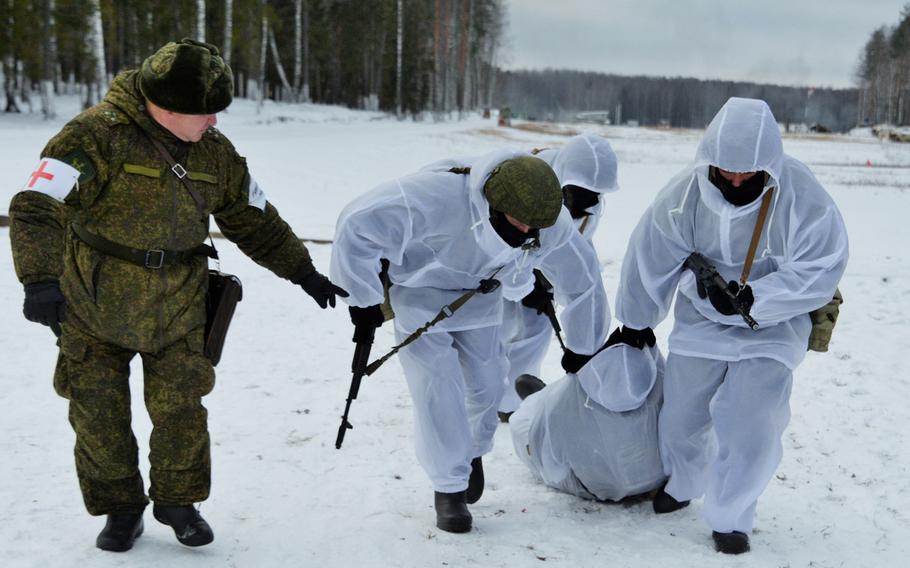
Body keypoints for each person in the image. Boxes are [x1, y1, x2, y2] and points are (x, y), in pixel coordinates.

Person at [8, 39, 347, 552]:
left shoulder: (216, 153)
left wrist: (303, 272)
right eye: (206, 113)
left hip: (179, 306)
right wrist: (39, 280)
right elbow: (36, 206)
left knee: (182, 411)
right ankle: (121, 509)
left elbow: (252, 218)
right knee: (98, 415)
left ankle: (177, 501)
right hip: (95, 304)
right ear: (165, 108)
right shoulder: (93, 136)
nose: (214, 122)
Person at [330, 150, 610, 533]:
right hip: (418, 294)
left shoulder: (547, 221)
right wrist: (361, 299)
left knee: (488, 384)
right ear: (493, 203)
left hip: (480, 296)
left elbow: (583, 279)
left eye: (536, 227)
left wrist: (582, 346)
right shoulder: (429, 197)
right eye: (520, 223)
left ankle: (472, 451)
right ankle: (449, 488)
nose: (529, 232)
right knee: (438, 386)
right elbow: (355, 226)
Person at [614, 97, 848, 554]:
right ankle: (683, 482)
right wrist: (636, 321)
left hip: (772, 329)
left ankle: (732, 515)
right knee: (681, 417)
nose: (736, 180)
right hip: (701, 323)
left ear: (769, 165)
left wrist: (760, 297)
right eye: (726, 171)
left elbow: (823, 266)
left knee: (752, 422)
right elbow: (651, 255)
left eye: (748, 173)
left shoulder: (802, 196)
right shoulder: (684, 195)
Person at [497, 134, 619, 420]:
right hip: (501, 268)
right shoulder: (527, 176)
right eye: (580, 190)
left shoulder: (590, 205)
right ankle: (483, 395)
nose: (588, 199)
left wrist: (547, 285)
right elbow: (504, 233)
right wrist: (526, 282)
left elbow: (575, 250)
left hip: (544, 276)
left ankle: (511, 404)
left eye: (594, 193)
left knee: (535, 332)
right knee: (497, 329)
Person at [508, 326, 666, 503]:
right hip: (657, 477)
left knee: (522, 426)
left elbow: (551, 457)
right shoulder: (660, 379)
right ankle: (539, 401)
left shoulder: (568, 398)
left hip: (595, 487)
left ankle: (535, 401)